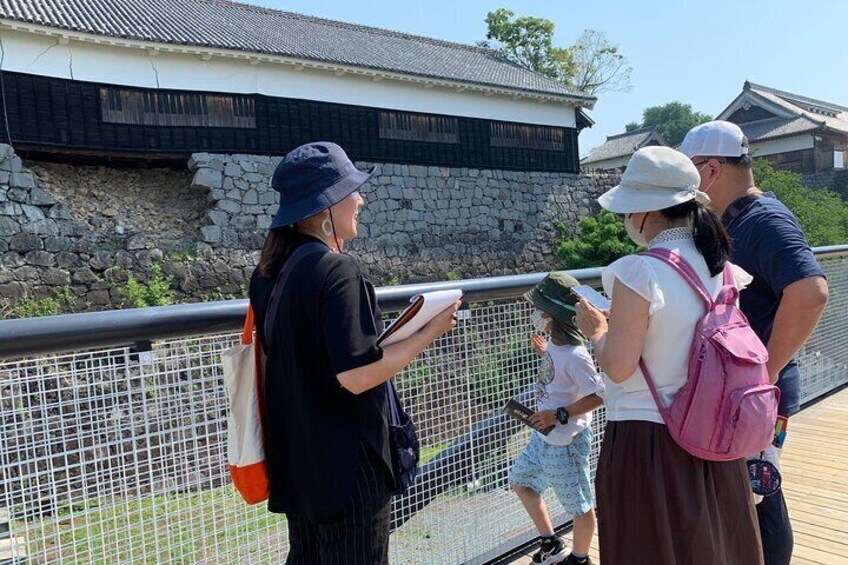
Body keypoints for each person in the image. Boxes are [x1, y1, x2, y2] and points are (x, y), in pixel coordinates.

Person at [248, 142, 460, 565]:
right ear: (327, 205)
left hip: (299, 461)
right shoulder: (338, 270)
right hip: (348, 471)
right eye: (353, 190)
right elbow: (356, 374)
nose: (360, 199)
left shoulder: (269, 274)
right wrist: (429, 331)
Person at [575, 146, 764, 565]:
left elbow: (620, 368)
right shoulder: (724, 270)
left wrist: (598, 330)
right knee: (714, 548)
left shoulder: (638, 270)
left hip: (649, 442)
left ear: (642, 212)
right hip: (715, 435)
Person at [680, 121, 829, 565]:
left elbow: (810, 292)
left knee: (759, 495)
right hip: (747, 392)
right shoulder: (733, 219)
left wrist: (768, 371)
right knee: (748, 493)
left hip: (760, 395)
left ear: (710, 170)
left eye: (688, 172)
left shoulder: (765, 220)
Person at [509, 273, 604, 565]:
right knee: (520, 482)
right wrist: (545, 352)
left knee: (580, 505)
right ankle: (550, 542)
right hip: (543, 437)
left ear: (550, 314)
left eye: (539, 309)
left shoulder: (576, 355)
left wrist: (558, 414)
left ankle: (580, 558)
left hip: (566, 442)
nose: (535, 314)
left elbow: (599, 395)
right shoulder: (556, 346)